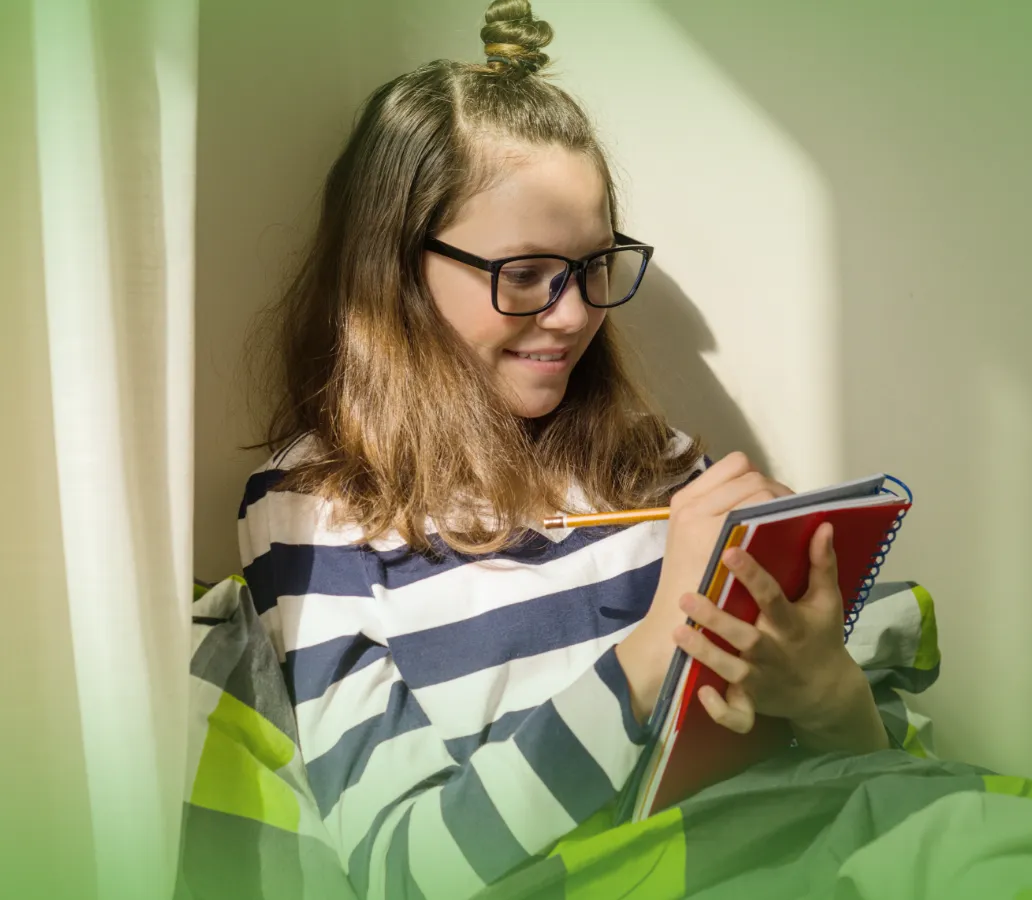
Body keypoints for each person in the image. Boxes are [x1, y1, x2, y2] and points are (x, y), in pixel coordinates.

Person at [239, 1, 889, 896]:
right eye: (525, 274)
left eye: (591, 267)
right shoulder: (318, 505)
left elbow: (874, 783)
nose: (576, 312)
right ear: (396, 270)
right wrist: (648, 656)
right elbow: (398, 871)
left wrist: (833, 702)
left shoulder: (657, 462)